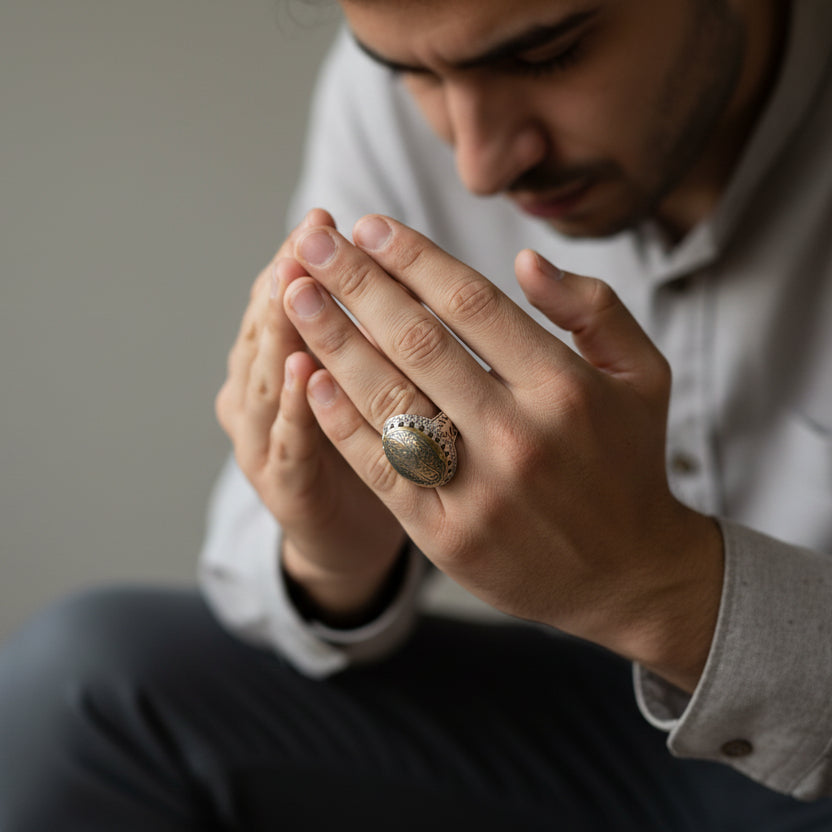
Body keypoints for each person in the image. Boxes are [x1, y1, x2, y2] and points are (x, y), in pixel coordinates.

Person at [0, 0, 830, 828]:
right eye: (411, 75)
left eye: (549, 55)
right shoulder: (391, 92)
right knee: (80, 682)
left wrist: (661, 585)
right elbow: (258, 561)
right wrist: (340, 559)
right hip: (599, 731)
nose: (478, 166)